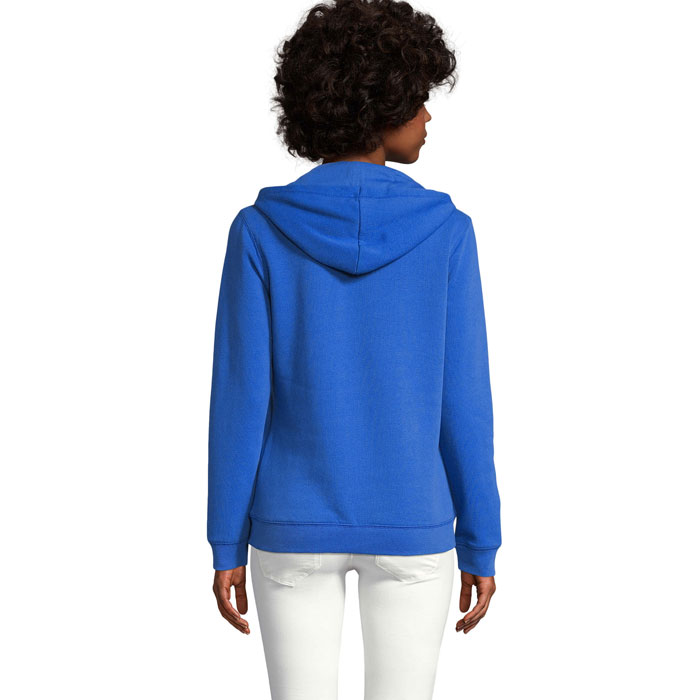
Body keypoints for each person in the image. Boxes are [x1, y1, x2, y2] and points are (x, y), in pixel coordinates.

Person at [207, 0, 502, 697]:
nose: (427, 117)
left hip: (289, 524)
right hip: (414, 522)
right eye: (418, 99)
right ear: (381, 105)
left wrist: (226, 539)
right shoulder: (447, 233)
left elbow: (240, 400)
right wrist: (480, 539)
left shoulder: (259, 231)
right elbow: (464, 403)